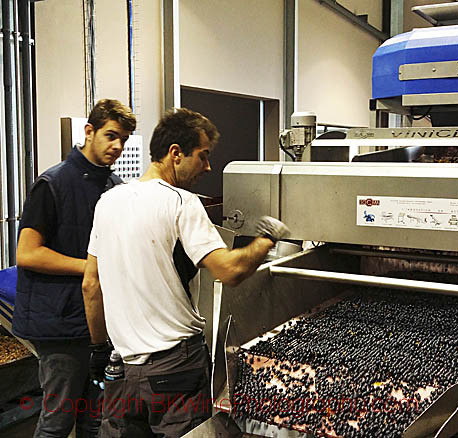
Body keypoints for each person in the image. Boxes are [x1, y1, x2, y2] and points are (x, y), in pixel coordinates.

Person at [82, 108, 289, 437]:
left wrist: (98, 351)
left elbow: (91, 286)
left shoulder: (108, 201)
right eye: (203, 156)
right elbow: (230, 270)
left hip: (121, 370)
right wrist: (268, 238)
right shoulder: (182, 202)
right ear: (175, 153)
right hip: (174, 369)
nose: (207, 167)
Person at [13, 99, 137, 437]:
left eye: (124, 139)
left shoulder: (116, 189)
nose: (118, 146)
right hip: (59, 325)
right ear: (88, 131)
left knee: (94, 419)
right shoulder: (53, 184)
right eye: (111, 136)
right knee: (57, 420)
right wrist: (90, 267)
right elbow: (28, 253)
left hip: (98, 324)